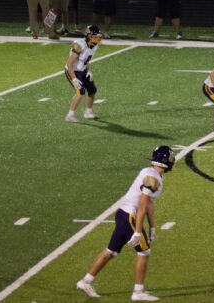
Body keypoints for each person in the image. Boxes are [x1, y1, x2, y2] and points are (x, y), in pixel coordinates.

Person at [76, 146, 175, 301]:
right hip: (130, 216)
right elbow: (142, 204)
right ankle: (138, 292)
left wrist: (152, 227)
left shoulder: (152, 173)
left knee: (111, 251)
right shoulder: (152, 177)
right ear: (164, 160)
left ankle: (86, 281)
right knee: (144, 252)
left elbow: (149, 203)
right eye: (170, 157)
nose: (172, 160)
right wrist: (137, 231)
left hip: (124, 214)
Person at [64, 26, 103, 123]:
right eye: (95, 36)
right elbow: (69, 64)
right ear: (88, 36)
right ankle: (70, 115)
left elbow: (86, 59)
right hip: (72, 70)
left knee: (92, 90)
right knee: (80, 91)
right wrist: (74, 79)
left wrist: (88, 70)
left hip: (82, 69)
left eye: (98, 37)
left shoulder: (94, 46)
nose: (97, 39)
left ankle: (88, 113)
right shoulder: (79, 44)